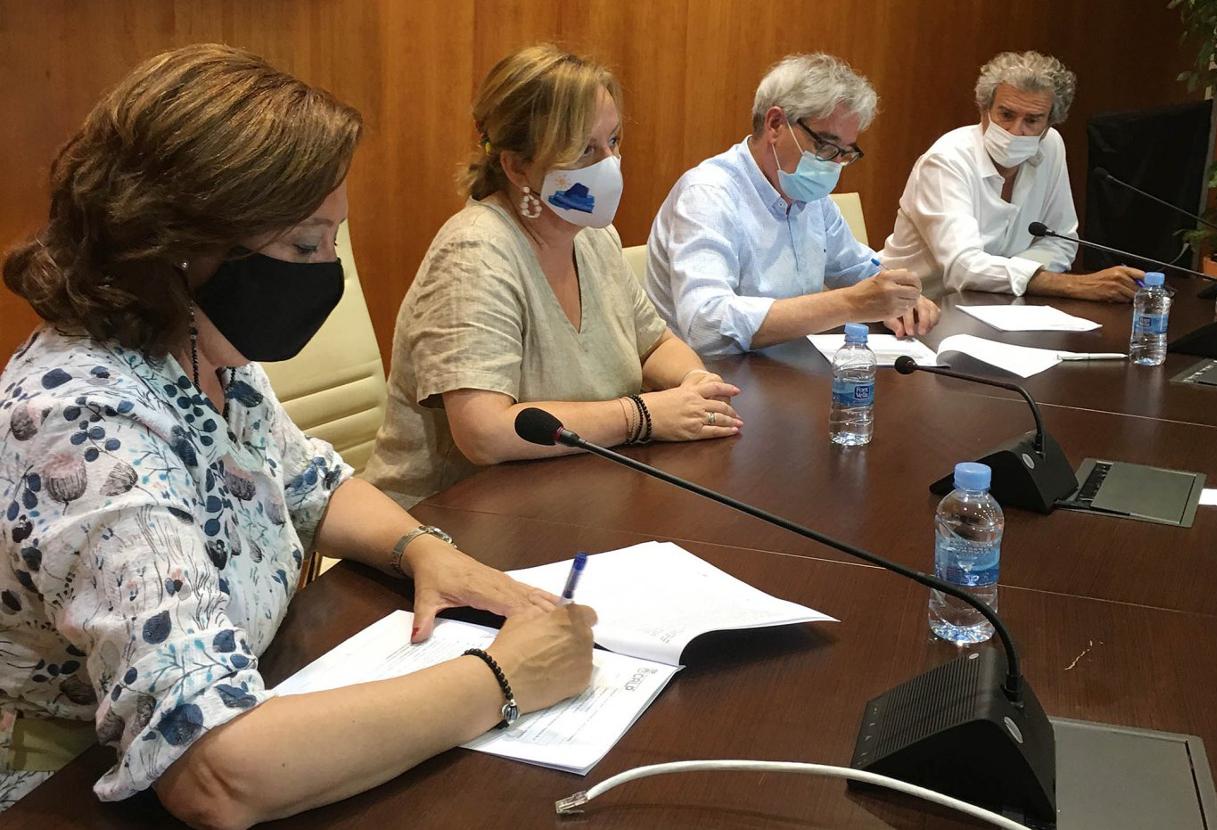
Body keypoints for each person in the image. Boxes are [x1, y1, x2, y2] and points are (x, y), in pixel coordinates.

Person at [0, 44, 595, 827]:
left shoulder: (194, 343)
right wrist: (503, 678)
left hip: (259, 687)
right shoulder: (82, 426)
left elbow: (309, 479)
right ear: (180, 242)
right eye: (303, 245)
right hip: (73, 787)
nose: (327, 271)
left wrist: (429, 553)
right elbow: (215, 772)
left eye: (333, 241)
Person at [364, 45, 741, 508]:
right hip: (444, 522)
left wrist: (695, 384)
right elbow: (485, 433)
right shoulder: (475, 252)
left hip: (569, 497)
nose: (609, 165)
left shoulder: (590, 236)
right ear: (518, 165)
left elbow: (655, 342)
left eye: (613, 142)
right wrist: (643, 415)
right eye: (585, 149)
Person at [645, 53, 940, 358]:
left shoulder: (812, 199)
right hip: (707, 382)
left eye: (845, 153)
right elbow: (705, 326)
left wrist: (897, 293)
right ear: (775, 125)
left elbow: (858, 267)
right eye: (825, 146)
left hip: (787, 371)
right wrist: (849, 304)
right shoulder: (708, 194)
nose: (835, 165)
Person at [880, 51, 1144, 300]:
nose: (1016, 131)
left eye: (1032, 120)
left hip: (996, 306)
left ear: (1049, 123)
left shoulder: (1051, 145)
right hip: (913, 308)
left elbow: (1060, 243)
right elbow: (964, 267)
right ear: (984, 110)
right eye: (1006, 115)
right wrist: (1072, 285)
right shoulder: (946, 161)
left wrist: (1010, 277)